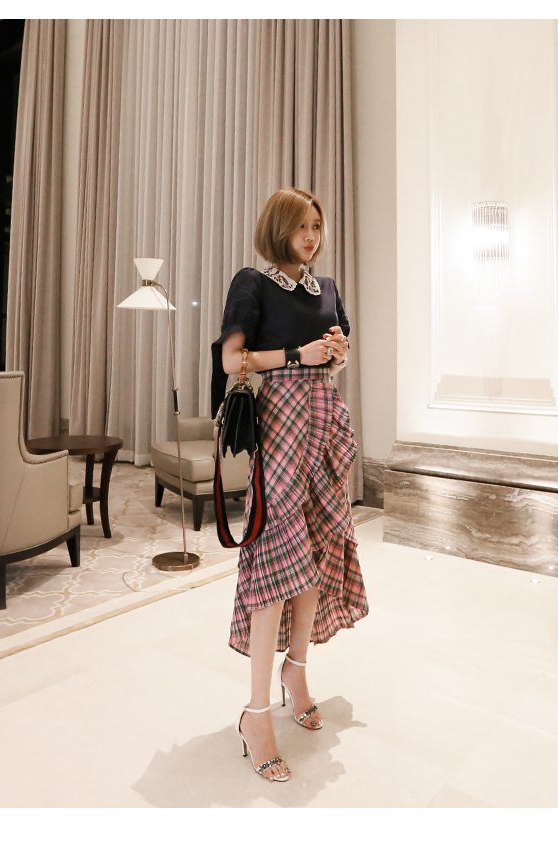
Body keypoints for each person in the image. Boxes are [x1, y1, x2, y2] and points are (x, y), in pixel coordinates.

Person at [211, 187, 369, 783]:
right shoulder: (252, 283)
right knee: (277, 568)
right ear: (278, 228)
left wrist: (337, 352)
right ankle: (256, 714)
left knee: (317, 558)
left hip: (322, 424)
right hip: (279, 429)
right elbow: (231, 361)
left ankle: (296, 672)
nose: (311, 235)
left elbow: (334, 356)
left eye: (317, 226)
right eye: (301, 225)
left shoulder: (325, 288)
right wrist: (298, 355)